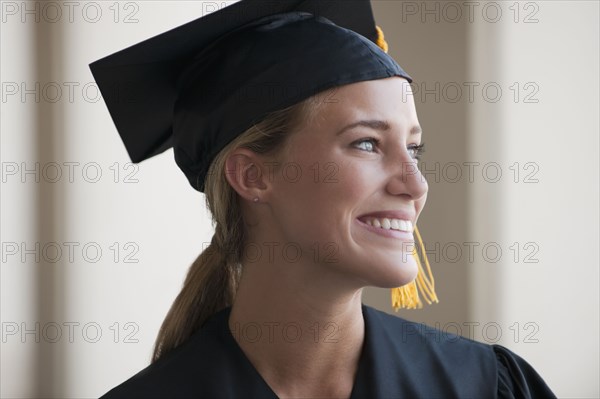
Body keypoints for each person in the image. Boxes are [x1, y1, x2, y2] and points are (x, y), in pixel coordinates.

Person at [91, 0, 556, 397]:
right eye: (367, 144)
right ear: (252, 176)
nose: (415, 185)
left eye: (414, 149)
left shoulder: (481, 385)